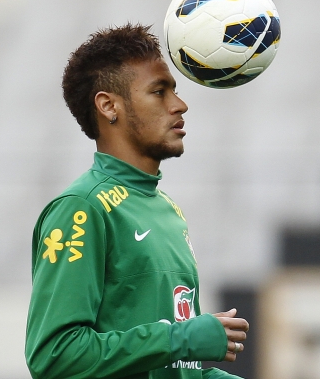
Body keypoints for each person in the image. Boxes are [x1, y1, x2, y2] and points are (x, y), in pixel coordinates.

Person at [25, 23, 249, 379]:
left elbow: (173, 368)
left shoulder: (168, 210)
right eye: (159, 92)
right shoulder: (83, 207)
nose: (180, 105)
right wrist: (180, 339)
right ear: (108, 106)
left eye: (174, 90)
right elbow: (55, 356)